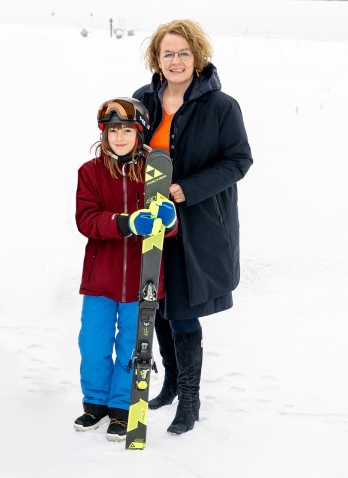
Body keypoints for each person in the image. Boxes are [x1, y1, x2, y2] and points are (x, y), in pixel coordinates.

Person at [133, 19, 253, 435]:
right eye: (168, 53)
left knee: (183, 311)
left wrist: (188, 189)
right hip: (150, 226)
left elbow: (239, 161)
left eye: (184, 52)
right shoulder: (142, 100)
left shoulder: (221, 106)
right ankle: (168, 384)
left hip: (195, 227)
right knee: (158, 307)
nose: (176, 60)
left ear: (197, 56)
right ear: (157, 58)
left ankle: (190, 399)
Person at [73, 97, 177, 442]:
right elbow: (86, 220)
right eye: (113, 129)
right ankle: (95, 403)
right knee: (93, 342)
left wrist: (169, 219)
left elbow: (168, 226)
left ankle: (121, 407)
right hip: (100, 278)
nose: (119, 136)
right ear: (104, 134)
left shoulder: (154, 169)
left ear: (139, 132)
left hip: (141, 281)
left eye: (127, 129)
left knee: (133, 345)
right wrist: (124, 222)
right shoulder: (90, 172)